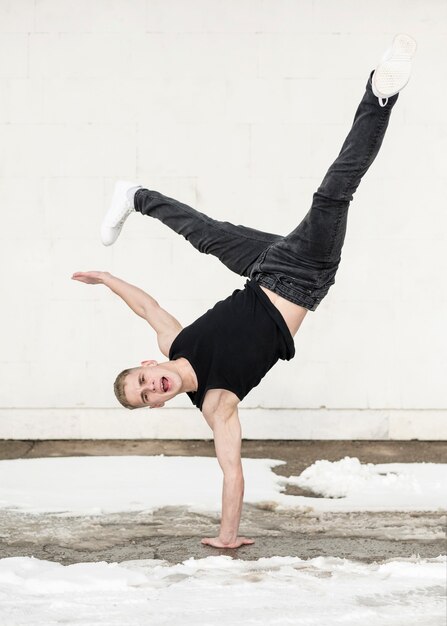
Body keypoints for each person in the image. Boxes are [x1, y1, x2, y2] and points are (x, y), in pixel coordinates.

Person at [72, 34, 417, 549]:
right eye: (146, 399)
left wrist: (106, 279)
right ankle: (380, 94)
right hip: (303, 275)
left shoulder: (175, 343)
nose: (152, 388)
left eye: (144, 380)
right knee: (334, 192)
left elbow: (147, 306)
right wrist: (226, 537)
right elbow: (232, 473)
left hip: (262, 268)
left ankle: (136, 196)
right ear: (158, 407)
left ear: (149, 363)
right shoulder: (217, 405)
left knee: (206, 234)